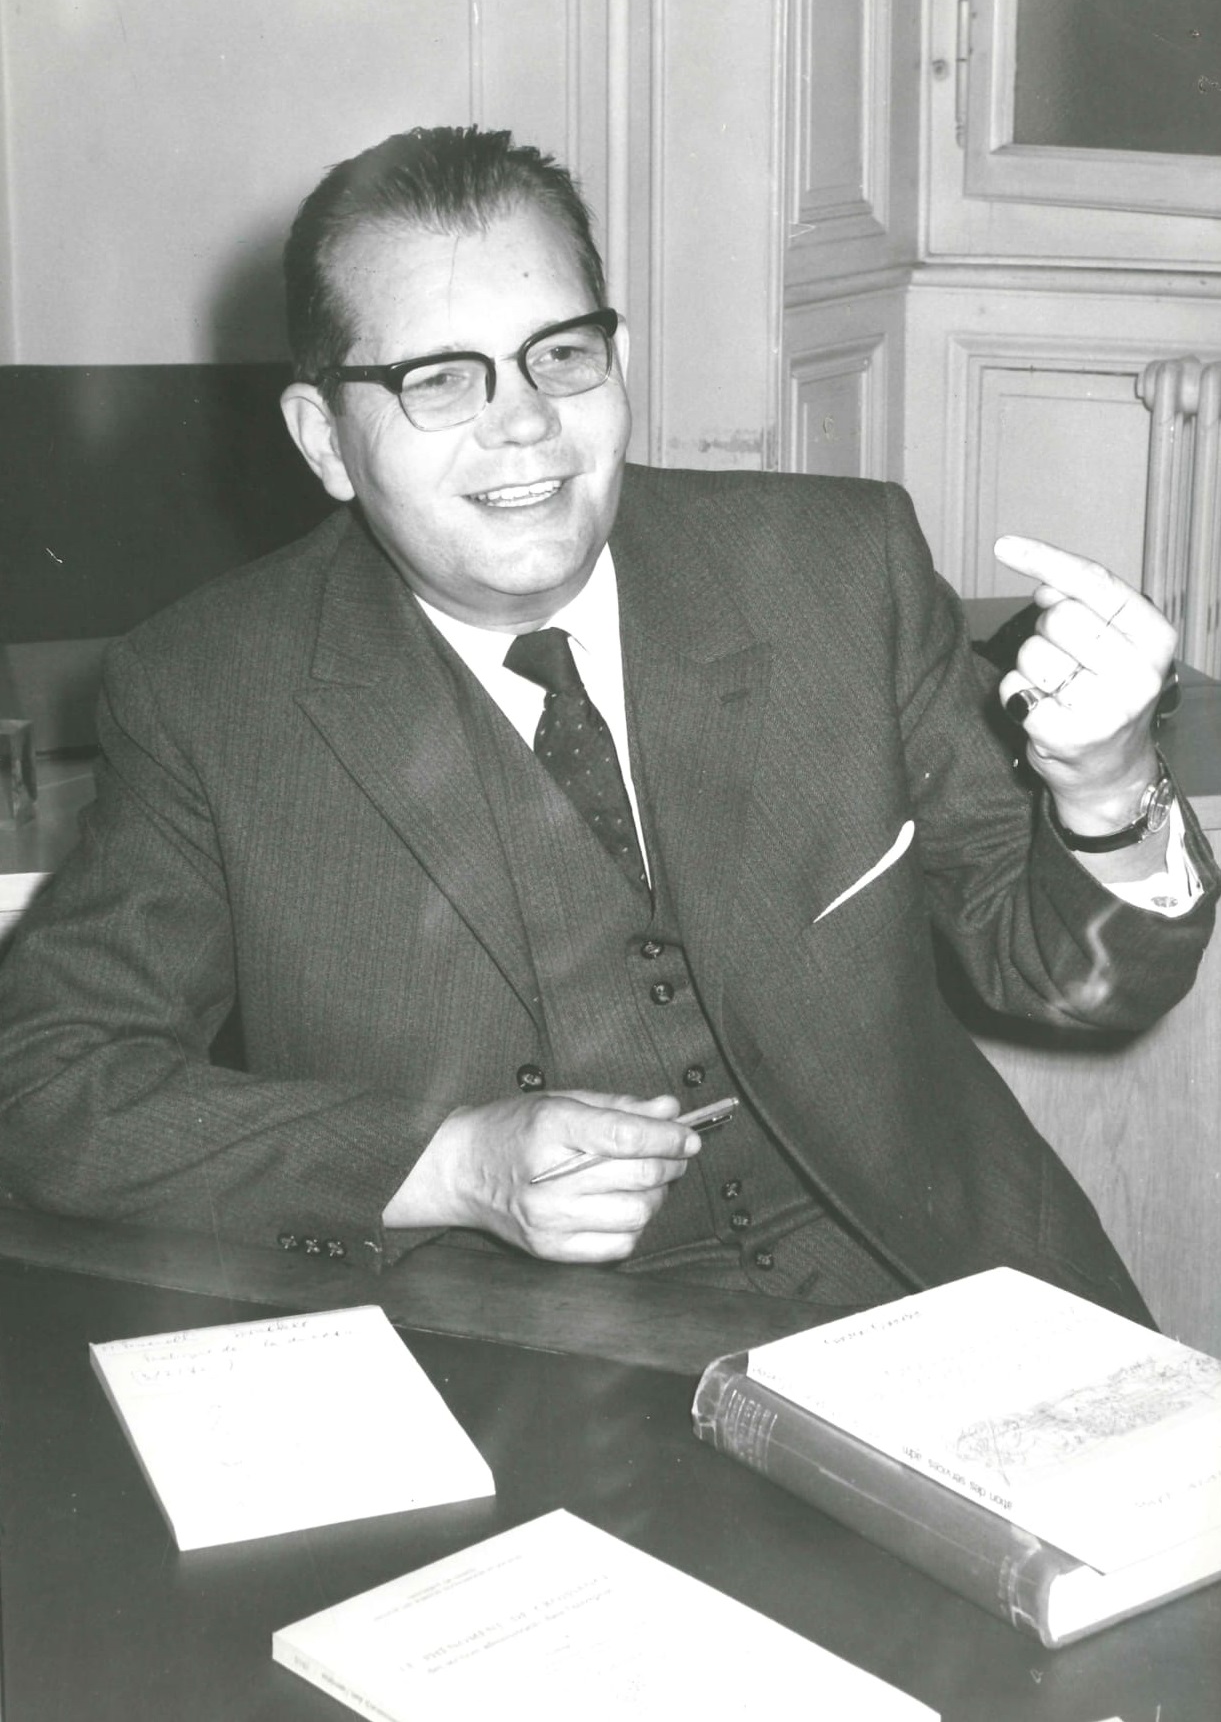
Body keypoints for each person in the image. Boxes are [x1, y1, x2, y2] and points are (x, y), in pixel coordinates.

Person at [0, 126, 1215, 1322]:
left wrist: (1107, 786)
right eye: (440, 379)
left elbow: (1078, 984)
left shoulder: (840, 568)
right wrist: (454, 1164)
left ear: (617, 361)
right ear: (326, 440)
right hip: (515, 1359)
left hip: (935, 1285)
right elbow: (45, 1082)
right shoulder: (211, 693)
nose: (525, 422)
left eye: (561, 356)